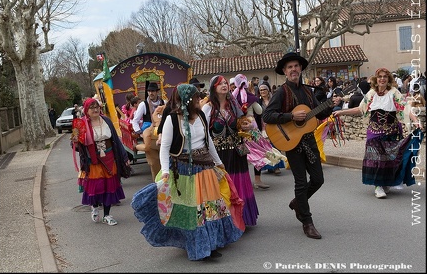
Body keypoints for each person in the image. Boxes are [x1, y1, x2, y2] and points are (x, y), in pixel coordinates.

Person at [131, 84, 244, 261]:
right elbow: (165, 147)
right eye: (197, 98)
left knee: (210, 208)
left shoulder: (200, 116)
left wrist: (219, 163)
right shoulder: (172, 119)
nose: (200, 100)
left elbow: (209, 142)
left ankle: (211, 243)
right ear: (188, 100)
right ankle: (200, 247)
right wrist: (166, 170)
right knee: (194, 211)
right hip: (184, 171)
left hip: (205, 168)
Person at [263, 52, 340, 239]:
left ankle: (298, 202)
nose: (293, 69)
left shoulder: (308, 91)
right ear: (284, 71)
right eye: (289, 67)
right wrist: (291, 116)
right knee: (300, 181)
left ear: (300, 69)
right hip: (292, 143)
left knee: (318, 179)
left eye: (296, 66)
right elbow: (267, 116)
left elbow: (318, 114)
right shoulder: (281, 92)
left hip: (309, 141)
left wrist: (331, 105)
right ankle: (307, 221)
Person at [333, 67, 423, 199]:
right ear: (376, 79)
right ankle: (377, 185)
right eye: (380, 76)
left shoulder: (394, 93)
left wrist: (416, 121)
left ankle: (385, 181)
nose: (382, 79)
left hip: (391, 129)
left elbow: (405, 107)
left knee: (389, 158)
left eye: (385, 77)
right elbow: (360, 109)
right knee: (375, 157)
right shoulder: (371, 94)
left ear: (388, 79)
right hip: (374, 131)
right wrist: (341, 112)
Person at [202, 75, 260, 226]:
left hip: (236, 152)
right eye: (220, 83)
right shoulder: (208, 108)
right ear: (213, 87)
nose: (224, 85)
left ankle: (243, 218)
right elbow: (203, 133)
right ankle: (227, 223)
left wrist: (247, 126)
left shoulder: (233, 106)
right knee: (224, 187)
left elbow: (246, 123)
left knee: (240, 184)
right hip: (219, 154)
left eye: (226, 83)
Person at [71, 98, 129, 226]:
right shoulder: (80, 124)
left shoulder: (107, 121)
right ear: (86, 110)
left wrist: (124, 157)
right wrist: (75, 139)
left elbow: (116, 141)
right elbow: (74, 145)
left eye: (97, 107)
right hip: (93, 161)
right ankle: (95, 206)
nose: (95, 110)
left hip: (109, 158)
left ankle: (107, 215)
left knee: (110, 185)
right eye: (92, 107)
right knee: (97, 186)